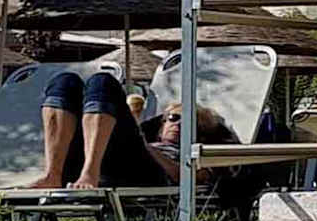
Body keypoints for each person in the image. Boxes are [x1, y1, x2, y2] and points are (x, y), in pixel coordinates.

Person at [32, 69, 235, 189]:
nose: (178, 124)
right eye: (173, 118)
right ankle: (53, 175)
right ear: (161, 125)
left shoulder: (197, 156)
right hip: (98, 158)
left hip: (143, 173)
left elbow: (184, 177)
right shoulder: (147, 138)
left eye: (190, 123)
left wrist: (148, 148)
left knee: (103, 82)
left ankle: (90, 173)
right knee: (65, 82)